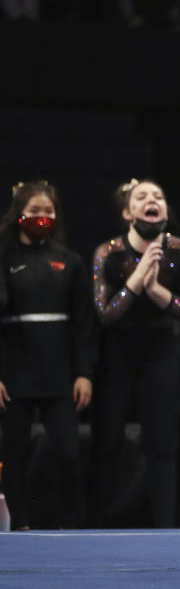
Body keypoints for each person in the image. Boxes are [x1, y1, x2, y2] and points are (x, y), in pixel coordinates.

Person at [90, 178, 180, 528]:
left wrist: (155, 290)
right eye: (142, 197)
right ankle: (95, 528)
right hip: (117, 354)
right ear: (128, 212)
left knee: (162, 448)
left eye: (159, 195)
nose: (152, 200)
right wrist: (137, 279)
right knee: (107, 443)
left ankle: (165, 530)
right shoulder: (108, 253)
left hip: (161, 350)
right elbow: (105, 315)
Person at [0, 181, 95, 529]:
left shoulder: (69, 262)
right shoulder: (4, 258)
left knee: (69, 454)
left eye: (48, 212)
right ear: (19, 215)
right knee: (14, 454)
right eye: (35, 212)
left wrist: (84, 372)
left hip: (59, 377)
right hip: (14, 378)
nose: (42, 218)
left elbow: (85, 323)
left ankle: (69, 526)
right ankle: (21, 524)